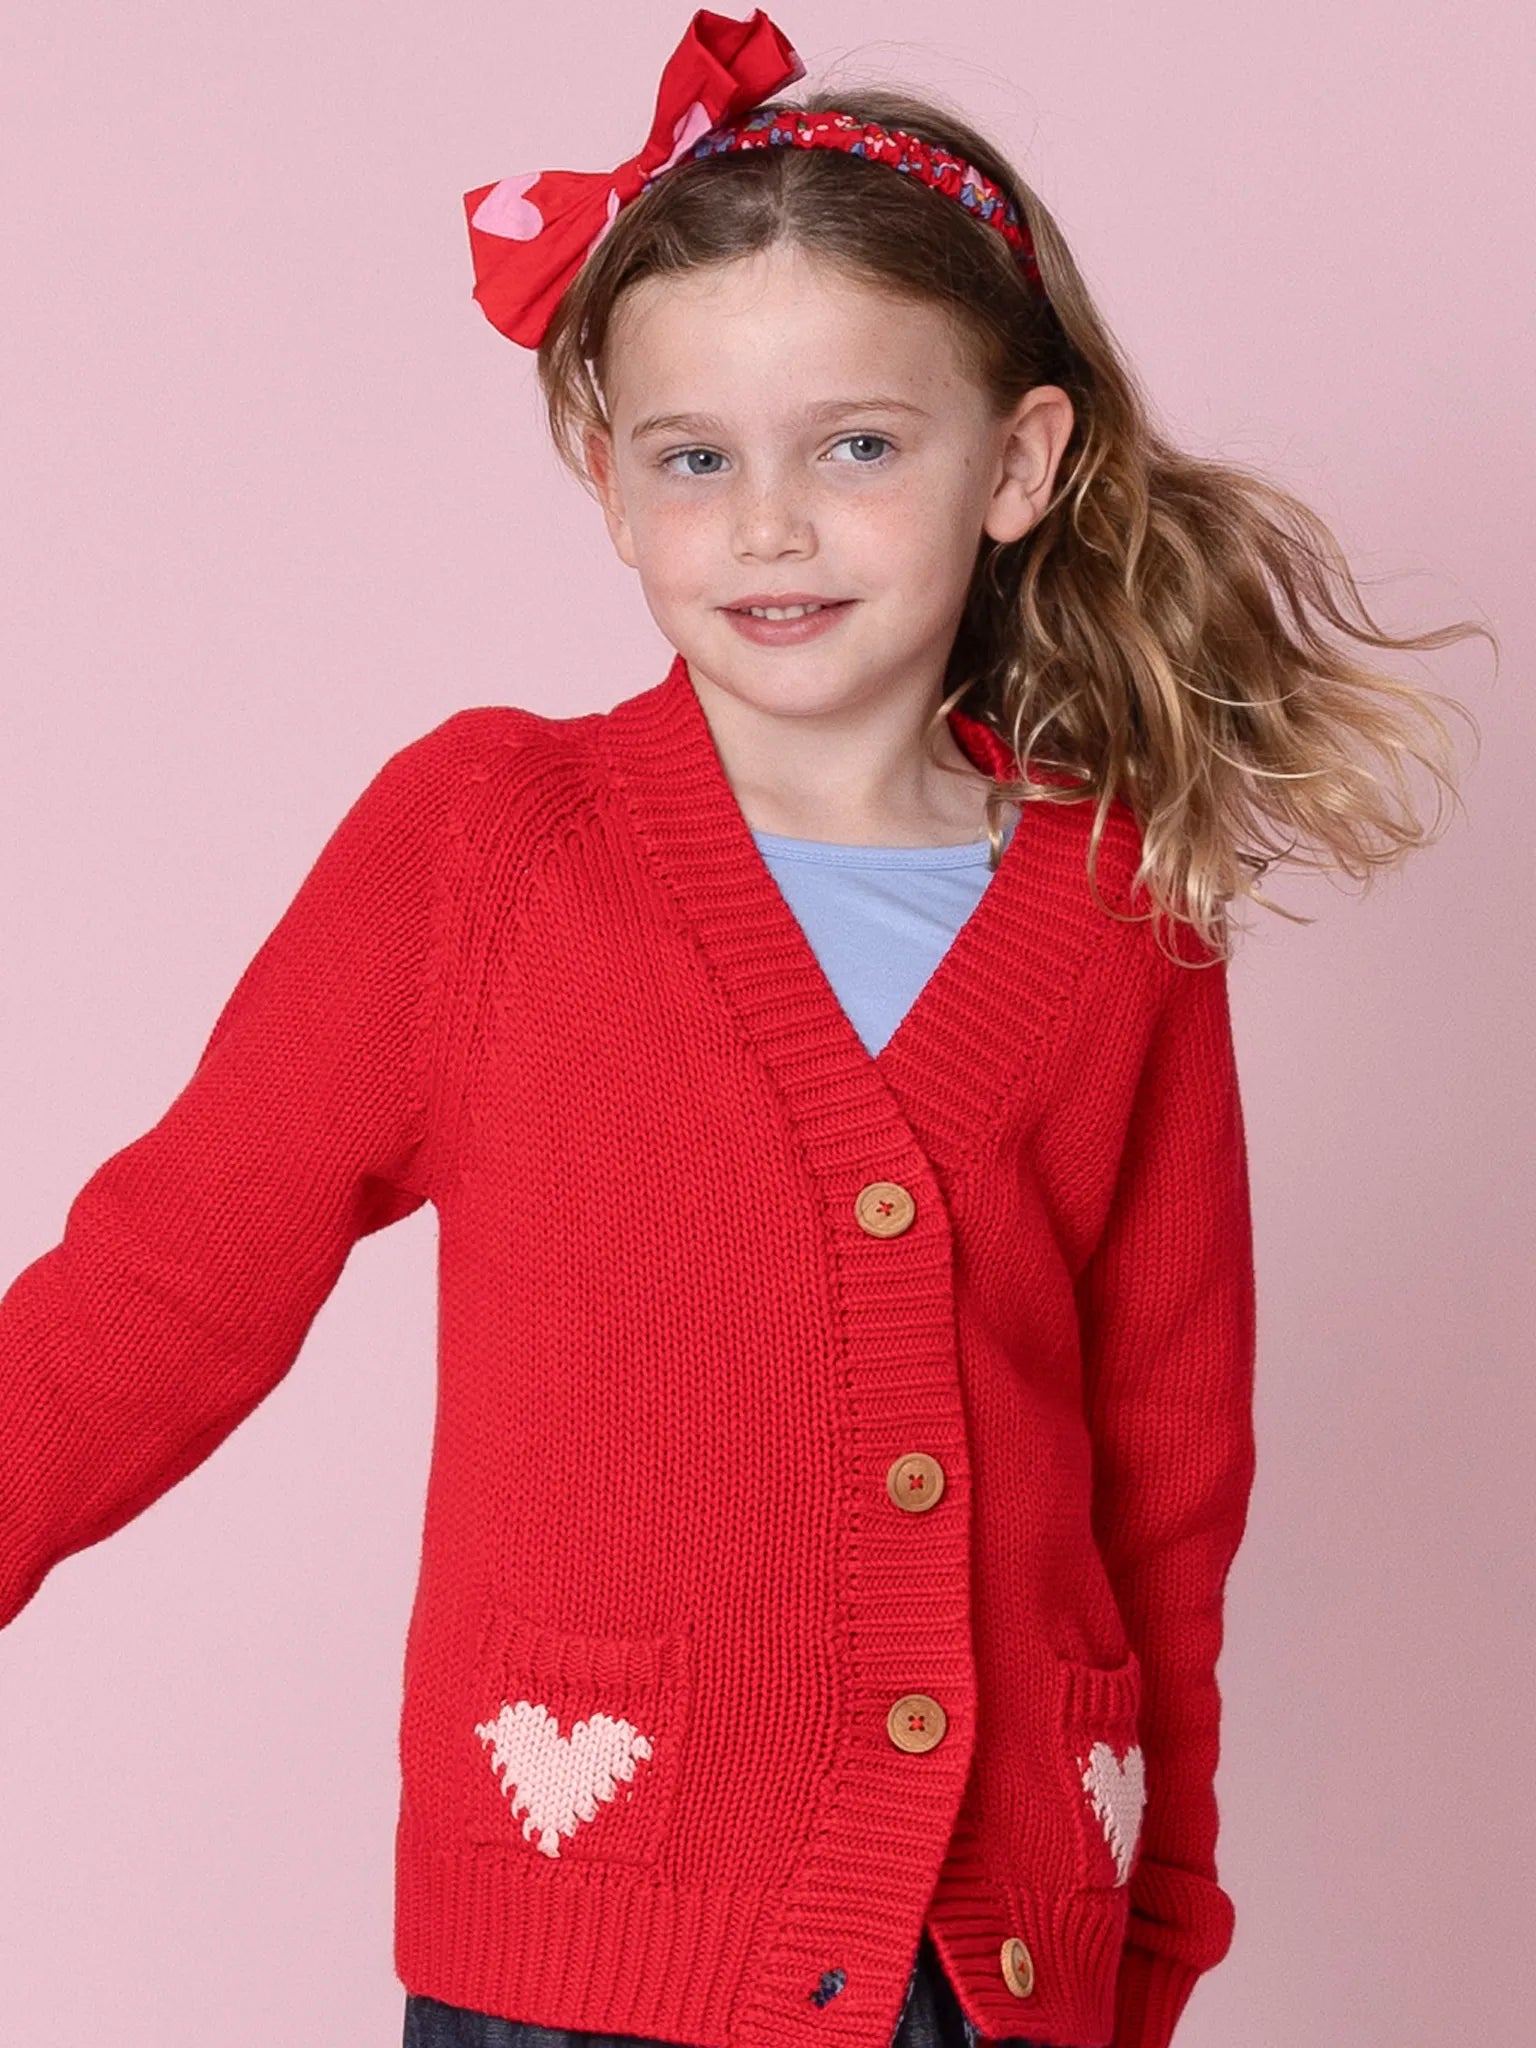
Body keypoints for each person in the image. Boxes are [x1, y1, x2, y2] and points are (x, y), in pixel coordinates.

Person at [0, 9, 1490, 2048]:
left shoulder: (1120, 915)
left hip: (991, 1970)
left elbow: (1165, 1472)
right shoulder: (492, 845)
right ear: (612, 486)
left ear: (1019, 463)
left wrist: (1156, 1923)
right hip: (584, 1946)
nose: (769, 524)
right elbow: (174, 1274)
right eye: (697, 459)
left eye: (857, 444)